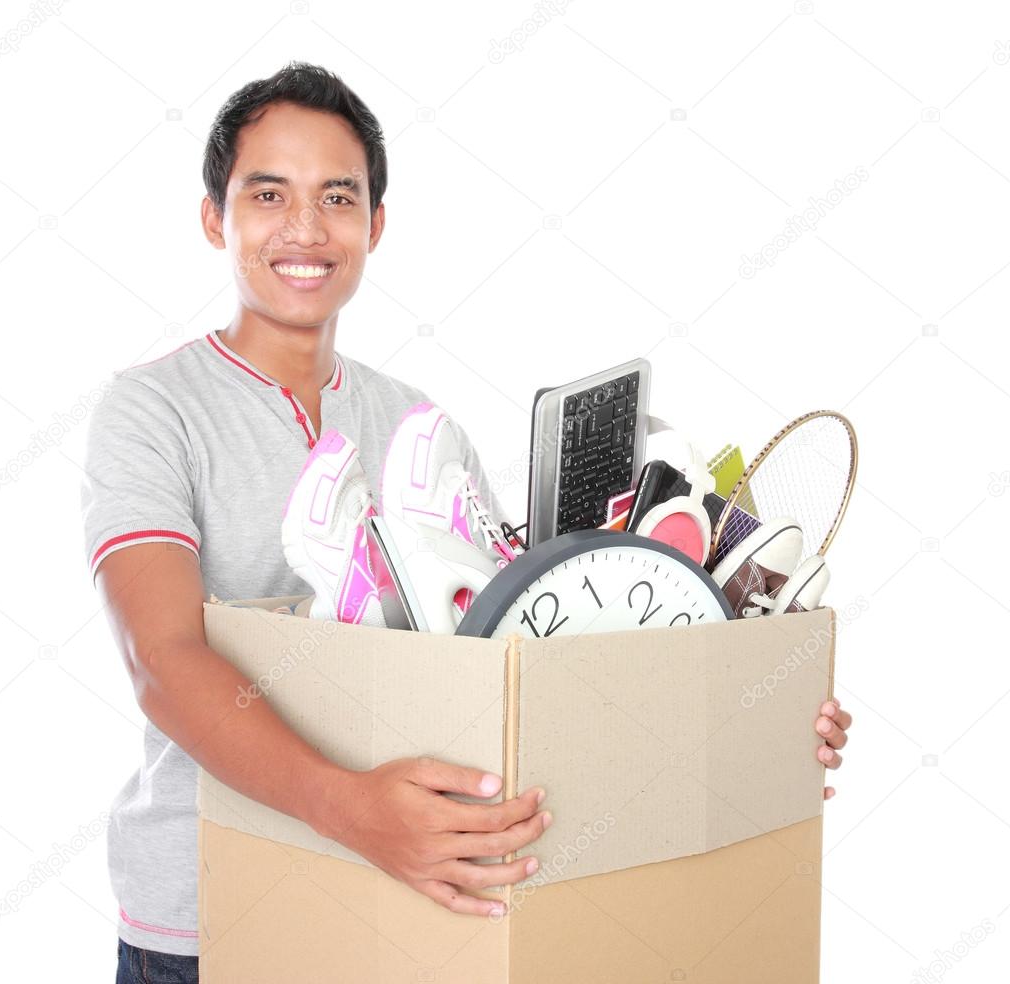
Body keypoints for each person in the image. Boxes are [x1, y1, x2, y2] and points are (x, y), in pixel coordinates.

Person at [82, 61, 852, 984]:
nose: (304, 227)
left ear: (373, 225)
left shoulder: (411, 420)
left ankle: (371, 581)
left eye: (337, 196)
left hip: (401, 915)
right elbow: (161, 662)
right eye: (268, 194)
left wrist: (741, 711)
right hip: (212, 913)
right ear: (216, 217)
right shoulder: (151, 410)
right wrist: (348, 807)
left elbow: (505, 670)